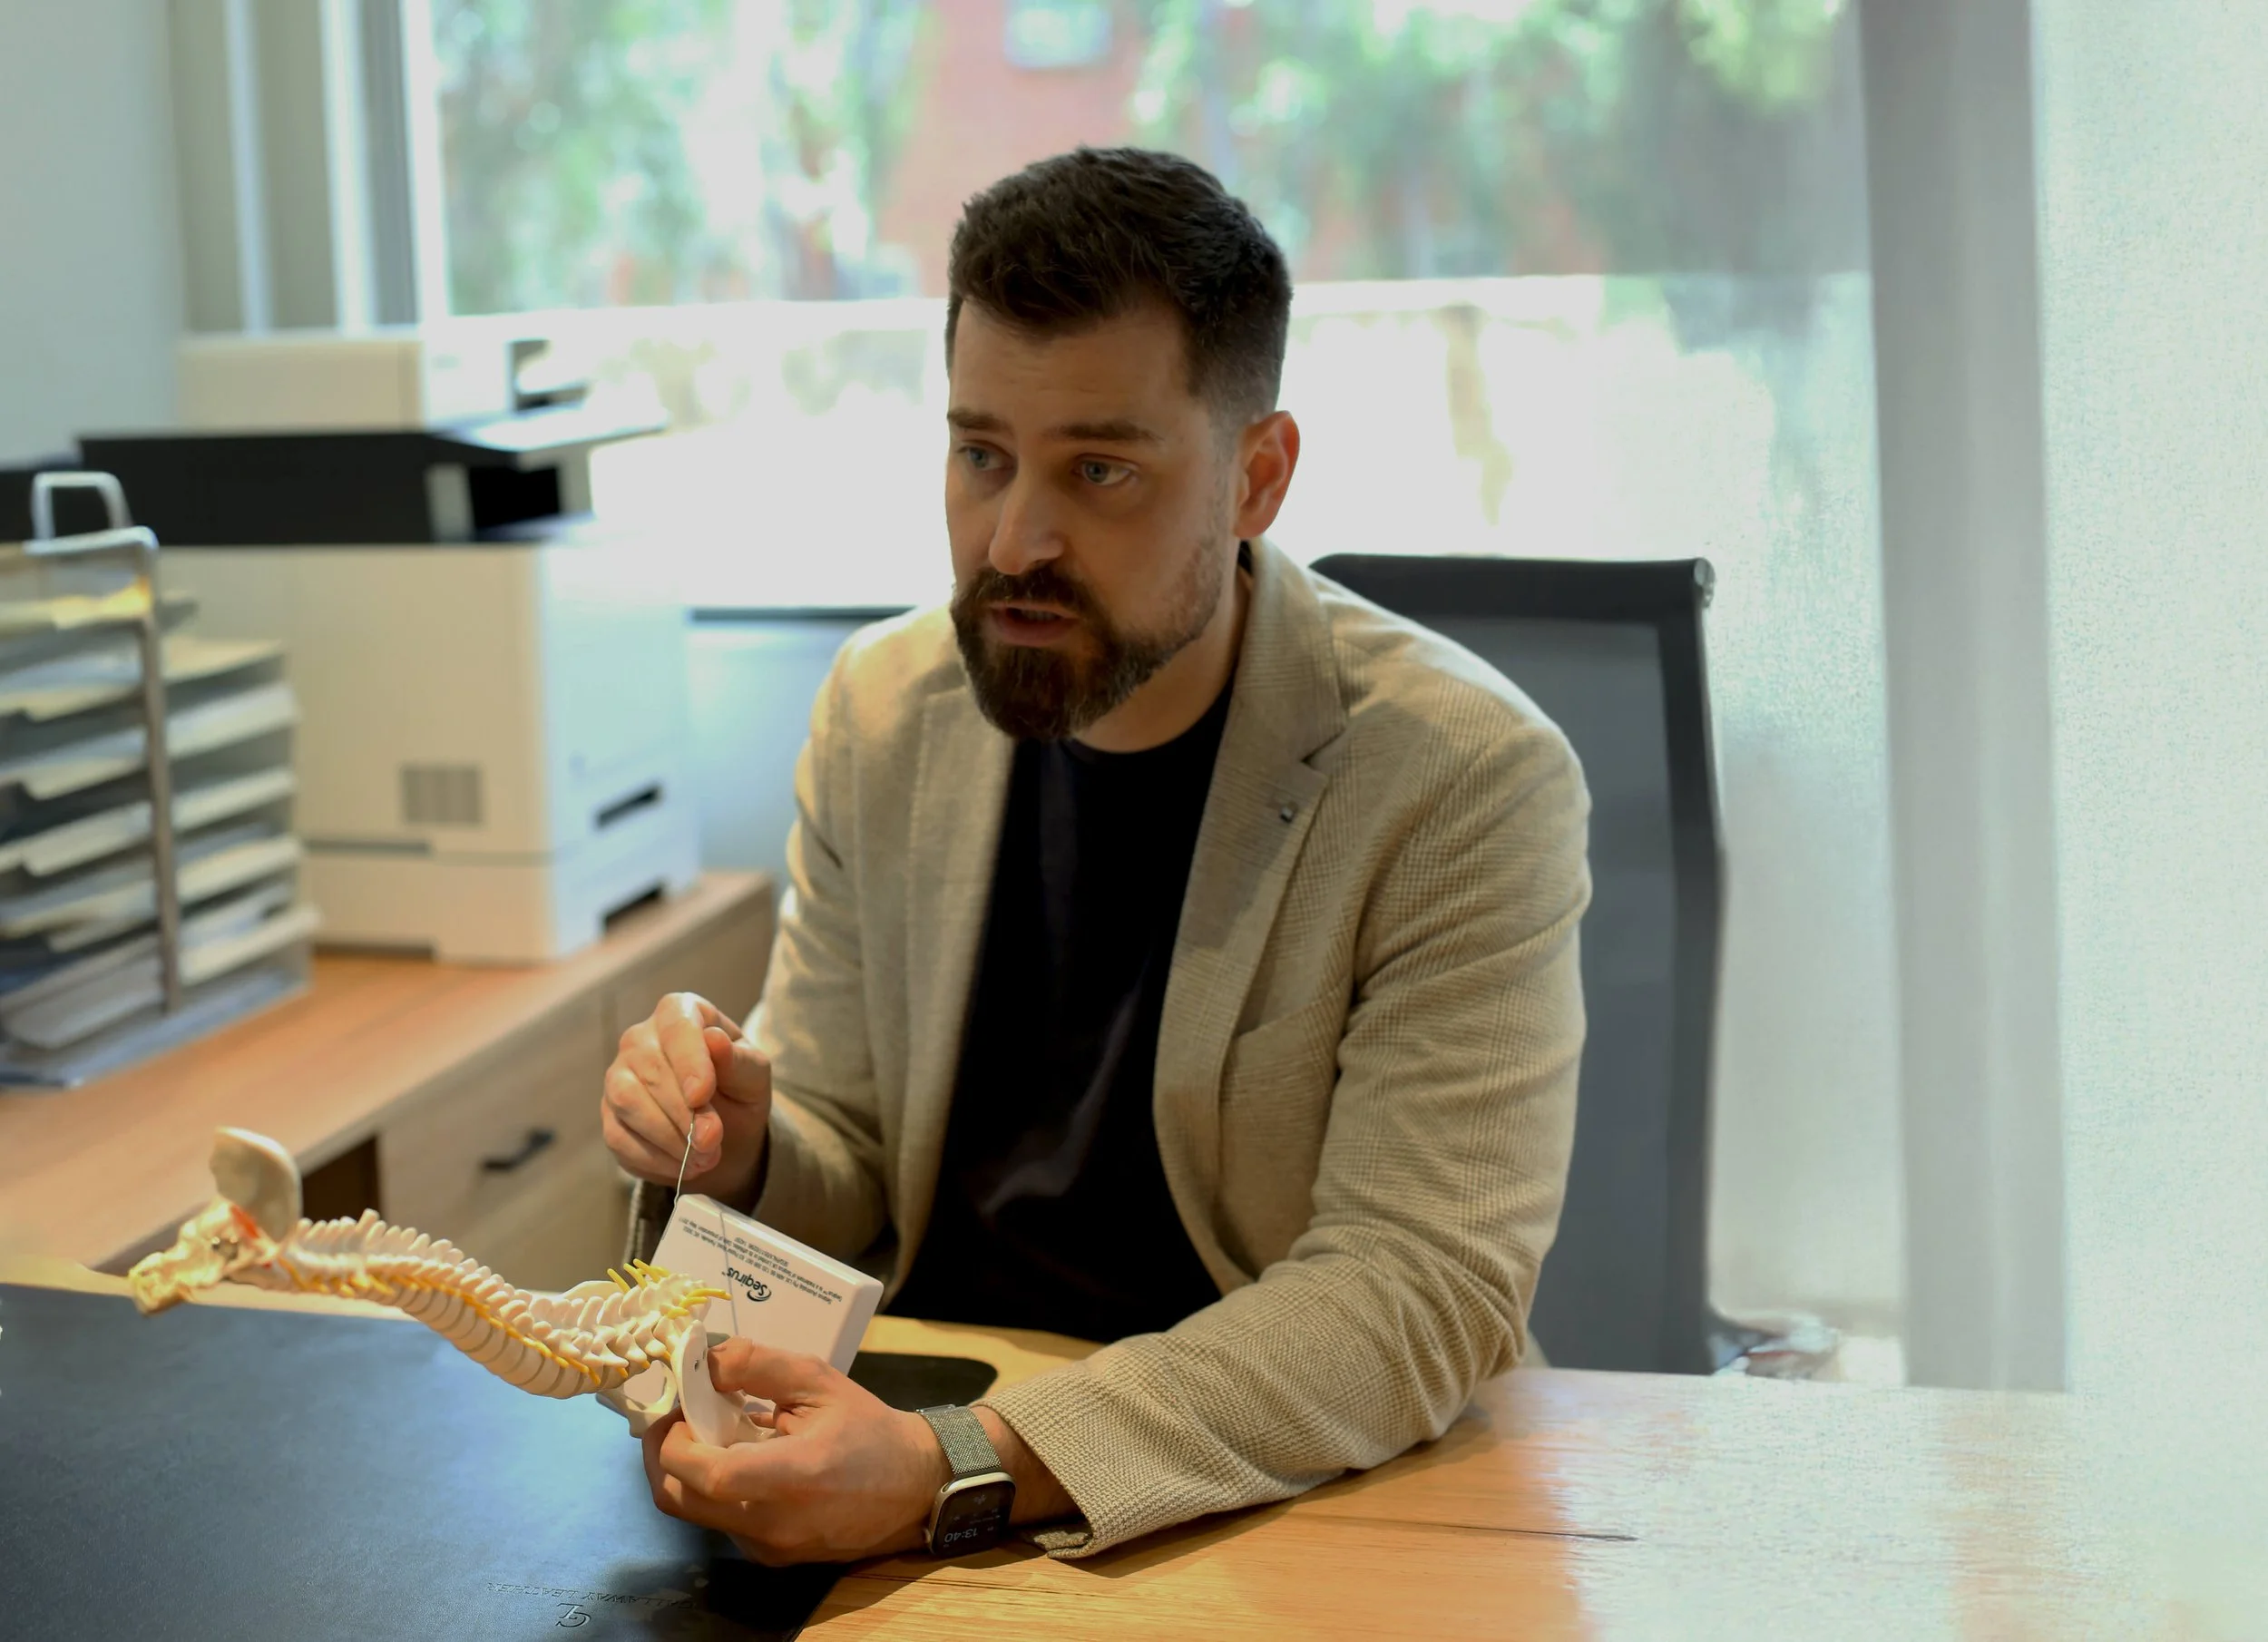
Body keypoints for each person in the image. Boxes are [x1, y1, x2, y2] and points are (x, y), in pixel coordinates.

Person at [601, 146, 1590, 1566]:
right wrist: (743, 1151)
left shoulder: (1462, 781)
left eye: (1101, 469)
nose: (1016, 540)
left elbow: (1414, 1287)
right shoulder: (885, 713)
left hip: (1277, 1505)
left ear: (1257, 477)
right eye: (981, 454)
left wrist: (957, 1466)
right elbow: (852, 1154)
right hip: (904, 1461)